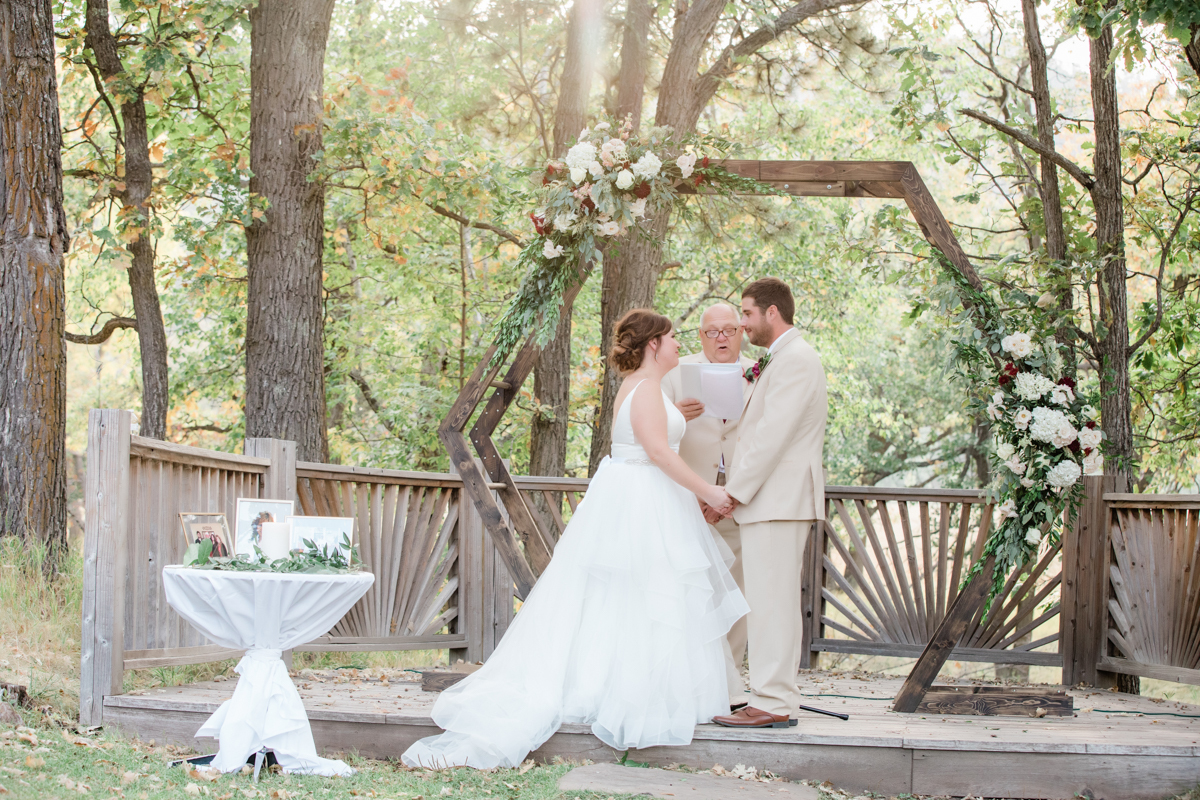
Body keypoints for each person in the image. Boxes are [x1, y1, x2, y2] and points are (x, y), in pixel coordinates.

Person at [402, 309, 749, 769]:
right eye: (671, 339)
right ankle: (620, 693)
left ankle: (642, 687)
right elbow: (659, 452)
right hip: (640, 501)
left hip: (647, 498)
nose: (675, 347)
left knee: (641, 597)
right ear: (653, 345)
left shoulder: (648, 388)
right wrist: (708, 490)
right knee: (640, 594)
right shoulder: (645, 389)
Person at [712, 278, 828, 730]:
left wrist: (731, 494)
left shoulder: (796, 360)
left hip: (778, 499)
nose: (742, 324)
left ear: (772, 312)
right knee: (764, 601)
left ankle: (775, 701)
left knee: (773, 603)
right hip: (769, 501)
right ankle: (766, 695)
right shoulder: (778, 360)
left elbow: (769, 439)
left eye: (746, 314)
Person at [661, 302, 755, 709]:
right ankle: (693, 679)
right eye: (712, 331)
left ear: (741, 332)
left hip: (743, 497)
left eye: (729, 330)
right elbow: (652, 431)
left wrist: (731, 494)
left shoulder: (762, 371)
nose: (721, 338)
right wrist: (676, 416)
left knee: (739, 591)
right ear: (700, 336)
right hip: (688, 498)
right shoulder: (675, 374)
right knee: (692, 590)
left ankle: (728, 682)